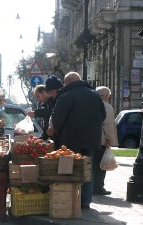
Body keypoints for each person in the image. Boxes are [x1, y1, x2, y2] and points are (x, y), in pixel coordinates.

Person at [50, 72, 106, 209]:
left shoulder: (66, 96)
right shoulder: (95, 95)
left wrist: (56, 133)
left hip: (70, 140)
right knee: (87, 169)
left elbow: (57, 121)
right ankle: (85, 200)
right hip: (91, 140)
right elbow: (103, 115)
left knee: (69, 169)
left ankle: (69, 197)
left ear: (67, 83)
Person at [94, 86, 118, 195]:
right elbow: (109, 125)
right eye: (109, 96)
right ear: (105, 96)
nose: (109, 98)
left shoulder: (90, 104)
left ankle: (89, 187)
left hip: (88, 139)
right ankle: (98, 188)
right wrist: (111, 140)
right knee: (100, 165)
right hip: (101, 140)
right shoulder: (107, 107)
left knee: (91, 164)